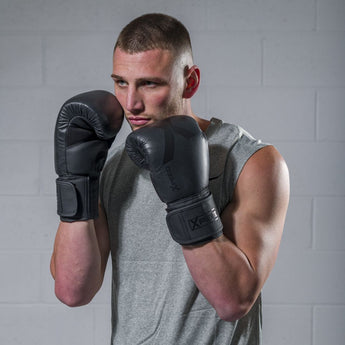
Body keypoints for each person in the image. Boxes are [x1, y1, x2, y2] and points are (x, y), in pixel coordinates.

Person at [50, 13, 290, 344]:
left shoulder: (251, 161)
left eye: (149, 83)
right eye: (121, 82)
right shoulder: (116, 164)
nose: (131, 103)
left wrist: (187, 196)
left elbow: (233, 301)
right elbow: (72, 290)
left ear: (189, 81)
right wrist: (76, 178)